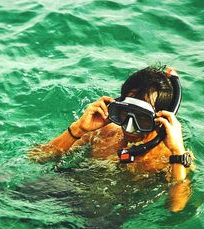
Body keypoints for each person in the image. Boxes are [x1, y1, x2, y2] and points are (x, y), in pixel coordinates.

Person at [29, 66, 193, 212]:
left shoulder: (171, 157)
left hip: (107, 215)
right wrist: (78, 128)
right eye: (124, 114)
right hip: (68, 189)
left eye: (141, 119)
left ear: (160, 121)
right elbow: (37, 157)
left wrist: (177, 152)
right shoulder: (105, 132)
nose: (129, 127)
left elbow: (176, 207)